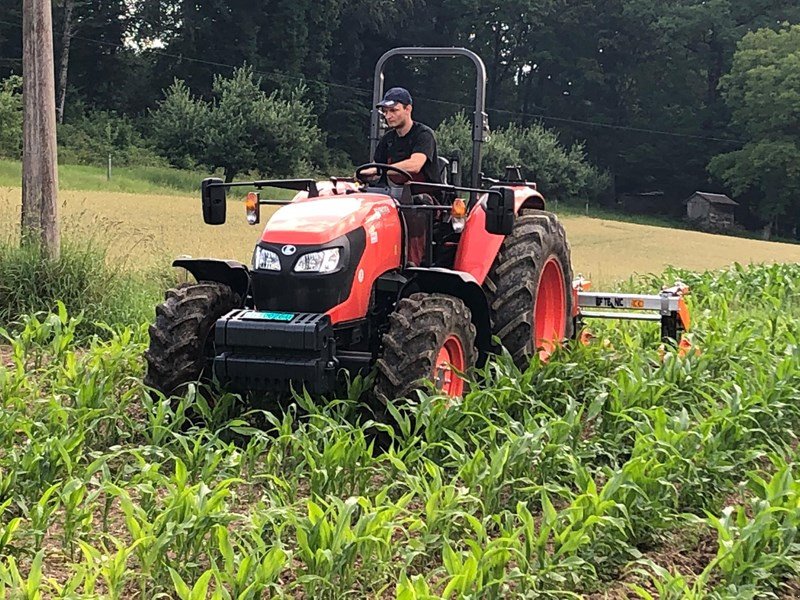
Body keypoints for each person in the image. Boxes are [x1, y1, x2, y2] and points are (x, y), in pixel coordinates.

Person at [367, 87, 441, 184]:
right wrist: (362, 175)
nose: (388, 116)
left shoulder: (424, 135)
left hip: (423, 194)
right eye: (385, 111)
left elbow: (414, 165)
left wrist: (381, 170)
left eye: (393, 110)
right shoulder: (387, 139)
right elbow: (375, 166)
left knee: (421, 199)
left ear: (408, 109)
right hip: (392, 193)